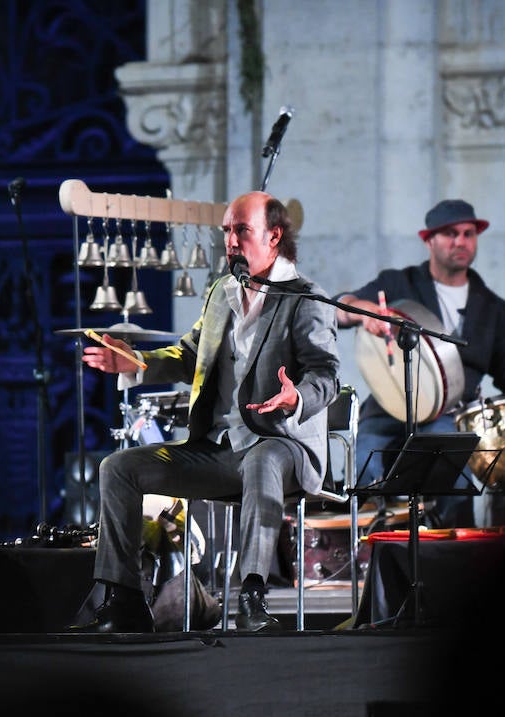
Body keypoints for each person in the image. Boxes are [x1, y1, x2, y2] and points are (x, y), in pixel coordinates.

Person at [73, 190, 341, 633]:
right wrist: (137, 364)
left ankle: (252, 599)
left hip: (283, 448)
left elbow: (326, 374)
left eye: (242, 230)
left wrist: (297, 398)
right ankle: (121, 599)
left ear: (274, 236)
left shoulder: (306, 297)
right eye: (227, 231)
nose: (231, 241)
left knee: (262, 458)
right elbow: (189, 354)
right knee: (119, 467)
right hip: (219, 451)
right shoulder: (222, 292)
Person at [335, 199, 505, 528]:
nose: (461, 241)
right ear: (428, 240)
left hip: (451, 414)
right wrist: (365, 311)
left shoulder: (494, 308)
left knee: (456, 454)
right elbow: (340, 308)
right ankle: (370, 552)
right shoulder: (398, 282)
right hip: (389, 408)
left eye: (468, 234)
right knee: (365, 463)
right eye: (450, 234)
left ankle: (451, 553)